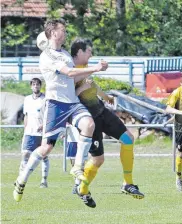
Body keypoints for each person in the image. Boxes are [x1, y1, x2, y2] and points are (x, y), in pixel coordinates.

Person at [13, 18, 108, 205]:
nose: (65, 33)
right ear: (53, 33)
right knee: (46, 148)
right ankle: (21, 179)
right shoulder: (47, 57)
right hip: (56, 104)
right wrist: (95, 68)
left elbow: (73, 78)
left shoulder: (64, 53)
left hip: (72, 102)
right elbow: (69, 73)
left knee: (89, 124)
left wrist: (89, 74)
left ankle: (78, 167)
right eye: (62, 30)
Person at [67, 38, 144, 207]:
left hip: (103, 112)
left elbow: (92, 86)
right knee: (98, 160)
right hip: (89, 120)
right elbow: (70, 96)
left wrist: (106, 97)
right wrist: (82, 87)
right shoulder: (70, 71)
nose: (91, 54)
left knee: (128, 139)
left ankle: (128, 183)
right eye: (89, 51)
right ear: (79, 52)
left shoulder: (84, 70)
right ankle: (83, 190)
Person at [19, 78, 49, 188]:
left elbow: (49, 115)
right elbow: (26, 115)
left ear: (40, 86)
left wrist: (44, 125)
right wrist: (25, 129)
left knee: (44, 156)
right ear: (31, 86)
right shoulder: (27, 99)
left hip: (42, 133)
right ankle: (21, 178)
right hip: (29, 132)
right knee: (25, 154)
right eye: (33, 84)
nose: (35, 86)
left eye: (37, 84)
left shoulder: (45, 99)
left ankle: (44, 181)